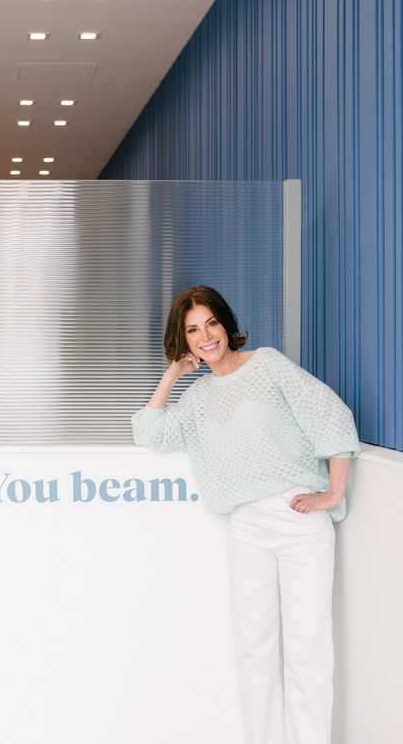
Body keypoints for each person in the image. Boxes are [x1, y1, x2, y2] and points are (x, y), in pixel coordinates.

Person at [131, 286, 359, 744]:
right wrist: (173, 373)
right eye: (191, 331)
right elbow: (149, 433)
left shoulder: (268, 364)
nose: (205, 336)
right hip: (247, 528)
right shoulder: (198, 399)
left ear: (225, 323)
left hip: (298, 520)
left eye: (210, 323)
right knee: (254, 653)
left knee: (307, 652)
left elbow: (330, 414)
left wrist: (334, 492)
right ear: (185, 340)